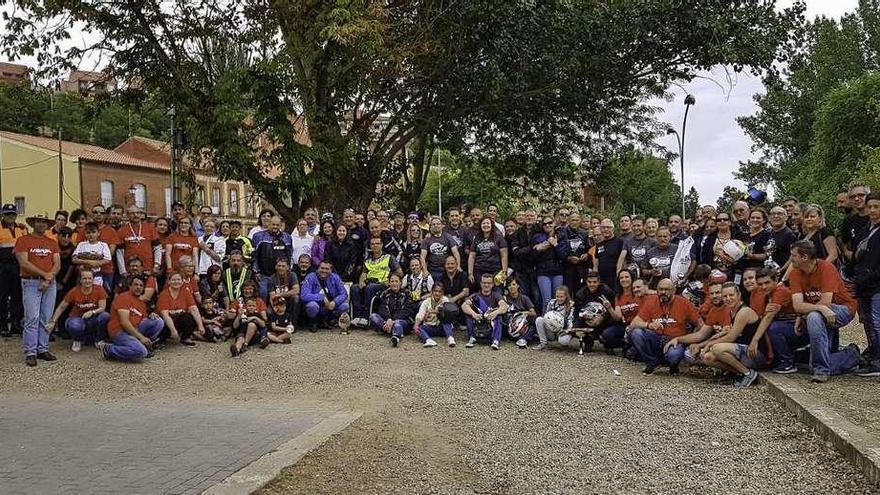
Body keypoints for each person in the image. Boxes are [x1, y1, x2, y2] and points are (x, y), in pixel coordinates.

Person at [785, 240, 860, 382]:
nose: (790, 258)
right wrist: (809, 312)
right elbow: (797, 305)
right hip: (821, 312)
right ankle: (850, 355)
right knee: (815, 316)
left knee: (813, 317)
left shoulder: (826, 268)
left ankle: (821, 369)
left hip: (843, 308)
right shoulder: (795, 273)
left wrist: (808, 312)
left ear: (804, 257)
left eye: (793, 255)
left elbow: (826, 302)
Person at [699, 283, 767, 388]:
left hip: (756, 354)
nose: (728, 298)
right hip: (743, 350)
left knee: (717, 348)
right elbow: (729, 332)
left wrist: (709, 344)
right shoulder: (732, 311)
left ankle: (748, 374)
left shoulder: (743, 311)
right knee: (707, 357)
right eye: (725, 296)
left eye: (731, 295)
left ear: (739, 295)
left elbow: (731, 337)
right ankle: (739, 372)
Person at [628, 278, 701, 375]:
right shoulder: (651, 301)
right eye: (661, 289)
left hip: (675, 340)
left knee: (673, 356)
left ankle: (672, 365)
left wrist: (692, 341)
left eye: (667, 289)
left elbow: (700, 325)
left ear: (674, 290)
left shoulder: (684, 303)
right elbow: (634, 323)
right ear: (657, 290)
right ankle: (652, 362)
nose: (663, 292)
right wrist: (649, 325)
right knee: (635, 333)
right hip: (656, 337)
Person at [15, 213, 61, 366]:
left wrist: (49, 278)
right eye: (38, 222)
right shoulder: (23, 240)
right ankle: (30, 351)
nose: (41, 224)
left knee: (46, 317)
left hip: (49, 284)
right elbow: (24, 263)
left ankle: (43, 349)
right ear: (33, 223)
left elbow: (57, 263)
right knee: (32, 317)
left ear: (48, 225)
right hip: (31, 283)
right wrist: (44, 275)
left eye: (44, 222)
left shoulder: (52, 242)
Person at [97, 276, 164, 362]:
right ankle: (108, 349)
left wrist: (151, 315)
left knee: (158, 321)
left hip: (134, 330)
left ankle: (145, 345)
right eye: (136, 285)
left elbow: (142, 320)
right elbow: (124, 322)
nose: (138, 287)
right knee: (141, 352)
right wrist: (141, 337)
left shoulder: (141, 303)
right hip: (119, 331)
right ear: (130, 286)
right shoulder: (123, 297)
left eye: (141, 285)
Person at [852, 191, 880, 376]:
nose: (872, 210)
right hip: (863, 283)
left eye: (876, 206)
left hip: (878, 283)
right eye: (870, 206)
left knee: (878, 321)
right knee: (869, 322)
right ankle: (874, 354)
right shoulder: (864, 231)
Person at [47, 269, 109, 352]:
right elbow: (61, 307)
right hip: (77, 318)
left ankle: (98, 340)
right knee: (74, 325)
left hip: (93, 318)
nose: (87, 281)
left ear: (93, 279)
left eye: (89, 278)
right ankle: (77, 340)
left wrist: (92, 312)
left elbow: (102, 308)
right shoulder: (74, 291)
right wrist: (53, 321)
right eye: (84, 278)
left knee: (105, 316)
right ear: (80, 280)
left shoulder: (99, 289)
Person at [352, 236, 401, 323]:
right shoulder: (368, 260)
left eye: (377, 243)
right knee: (354, 288)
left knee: (370, 288)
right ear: (370, 246)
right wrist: (361, 281)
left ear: (382, 245)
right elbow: (364, 273)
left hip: (382, 284)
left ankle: (366, 318)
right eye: (373, 244)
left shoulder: (389, 257)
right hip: (369, 282)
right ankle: (357, 317)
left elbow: (399, 272)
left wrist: (390, 280)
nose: (375, 246)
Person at [156, 271, 207, 346]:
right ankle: (161, 340)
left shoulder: (186, 292)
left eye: (178, 279)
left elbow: (193, 309)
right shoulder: (164, 294)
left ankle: (185, 337)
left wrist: (200, 325)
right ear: (169, 282)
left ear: (182, 281)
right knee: (163, 324)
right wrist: (173, 331)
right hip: (166, 322)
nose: (176, 282)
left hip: (178, 320)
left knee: (189, 317)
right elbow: (165, 315)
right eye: (173, 280)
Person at [603, 270, 648, 354]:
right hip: (626, 325)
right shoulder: (618, 297)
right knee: (607, 334)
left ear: (632, 279)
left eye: (626, 277)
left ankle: (632, 345)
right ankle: (624, 344)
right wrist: (609, 308)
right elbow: (618, 317)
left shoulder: (638, 291)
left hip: (640, 325)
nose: (624, 279)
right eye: (621, 278)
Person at [0, 203, 27, 337]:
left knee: (18, 296)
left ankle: (16, 324)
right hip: (3, 267)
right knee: (2, 297)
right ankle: (3, 325)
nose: (10, 216)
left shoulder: (21, 229)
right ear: (2, 215)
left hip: (18, 266)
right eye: (7, 214)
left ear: (16, 215)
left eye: (12, 214)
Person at [462, 273, 508, 349]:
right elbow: (464, 305)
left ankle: (496, 340)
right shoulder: (475, 295)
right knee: (468, 314)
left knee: (499, 316)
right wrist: (473, 314)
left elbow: (504, 306)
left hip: (491, 324)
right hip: (478, 323)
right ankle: (472, 337)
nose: (486, 285)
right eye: (484, 283)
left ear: (493, 284)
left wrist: (495, 313)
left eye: (489, 283)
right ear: (480, 284)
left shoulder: (496, 295)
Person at [573, 271, 616, 353]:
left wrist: (602, 317)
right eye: (589, 282)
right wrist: (587, 319)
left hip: (604, 318)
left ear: (599, 282)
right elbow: (577, 312)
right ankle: (588, 340)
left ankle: (608, 343)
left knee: (613, 319)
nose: (592, 284)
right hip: (587, 319)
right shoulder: (580, 294)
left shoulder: (607, 291)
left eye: (594, 282)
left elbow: (613, 307)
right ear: (586, 282)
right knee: (576, 325)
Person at [300, 261, 350, 330]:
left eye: (327, 269)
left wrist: (335, 302)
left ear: (331, 270)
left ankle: (330, 320)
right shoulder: (310, 277)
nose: (324, 271)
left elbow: (344, 294)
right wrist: (321, 297)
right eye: (322, 268)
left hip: (330, 306)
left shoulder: (335, 277)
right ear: (318, 268)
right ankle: (313, 323)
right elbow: (304, 295)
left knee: (345, 306)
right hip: (317, 306)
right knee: (312, 305)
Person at [369, 273, 413, 347]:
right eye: (392, 281)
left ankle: (395, 336)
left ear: (400, 282)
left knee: (397, 323)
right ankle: (391, 330)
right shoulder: (385, 294)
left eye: (396, 281)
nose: (394, 283)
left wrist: (392, 320)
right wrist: (388, 319)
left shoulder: (407, 293)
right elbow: (382, 309)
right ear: (389, 283)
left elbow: (407, 311)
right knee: (373, 316)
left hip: (403, 321)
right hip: (388, 320)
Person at [532, 216, 564, 311]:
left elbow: (564, 255)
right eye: (544, 224)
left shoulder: (561, 235)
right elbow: (532, 255)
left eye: (550, 222)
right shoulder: (537, 237)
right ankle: (545, 322)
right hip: (543, 271)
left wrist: (556, 245)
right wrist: (539, 249)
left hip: (557, 271)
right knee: (547, 301)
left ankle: (558, 322)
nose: (547, 225)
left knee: (558, 300)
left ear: (554, 223)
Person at [467, 217, 508, 290]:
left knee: (496, 292)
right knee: (481, 292)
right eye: (483, 223)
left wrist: (504, 271)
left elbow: (504, 255)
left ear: (492, 225)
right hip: (479, 270)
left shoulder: (498, 237)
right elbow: (472, 256)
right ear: (480, 225)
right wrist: (470, 273)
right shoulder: (477, 238)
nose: (485, 225)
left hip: (495, 270)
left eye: (488, 223)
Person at [117, 205, 158, 276]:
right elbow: (119, 252)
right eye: (132, 213)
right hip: (130, 270)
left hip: (148, 268)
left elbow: (157, 248)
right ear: (128, 215)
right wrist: (122, 271)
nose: (135, 215)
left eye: (138, 213)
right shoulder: (122, 230)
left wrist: (156, 265)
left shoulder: (150, 228)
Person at [72, 222, 112, 293]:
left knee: (96, 294)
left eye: (93, 232)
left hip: (96, 276)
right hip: (82, 276)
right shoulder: (82, 245)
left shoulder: (103, 245)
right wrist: (88, 262)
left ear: (98, 233)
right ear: (85, 233)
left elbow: (108, 259)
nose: (91, 235)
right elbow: (74, 259)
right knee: (82, 294)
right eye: (88, 232)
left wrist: (98, 263)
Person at [532, 285, 575, 351]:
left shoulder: (571, 305)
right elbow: (546, 316)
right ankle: (543, 343)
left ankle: (563, 344)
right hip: (550, 329)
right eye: (557, 296)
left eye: (561, 297)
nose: (559, 299)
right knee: (539, 320)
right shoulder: (551, 302)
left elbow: (571, 320)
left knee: (564, 341)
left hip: (562, 330)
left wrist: (567, 331)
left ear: (566, 296)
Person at [413, 282, 456, 347]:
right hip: (430, 326)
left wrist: (435, 311)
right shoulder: (426, 302)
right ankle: (428, 340)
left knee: (447, 321)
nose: (437, 293)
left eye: (440, 291)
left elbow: (448, 312)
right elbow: (420, 314)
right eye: (435, 291)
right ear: (432, 292)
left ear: (442, 293)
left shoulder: (445, 300)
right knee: (419, 328)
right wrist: (416, 324)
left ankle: (450, 338)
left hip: (442, 327)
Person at [252, 215, 293, 282]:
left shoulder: (287, 237)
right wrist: (256, 271)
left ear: (280, 225)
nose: (275, 227)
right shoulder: (258, 236)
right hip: (264, 275)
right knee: (264, 292)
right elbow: (254, 256)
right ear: (269, 224)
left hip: (281, 275)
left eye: (277, 225)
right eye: (273, 224)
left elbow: (289, 255)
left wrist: (289, 270)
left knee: (281, 292)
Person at [502, 277, 537, 348]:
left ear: (518, 286)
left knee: (535, 321)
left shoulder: (524, 298)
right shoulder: (504, 298)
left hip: (522, 323)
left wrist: (525, 313)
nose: (511, 287)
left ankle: (523, 339)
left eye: (513, 284)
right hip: (510, 324)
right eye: (509, 285)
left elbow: (534, 313)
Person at [263, 258, 300, 323]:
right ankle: (277, 324)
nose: (281, 268)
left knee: (296, 298)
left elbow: (296, 290)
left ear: (288, 267)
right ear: (275, 267)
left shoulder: (292, 275)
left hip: (289, 302)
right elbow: (272, 297)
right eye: (279, 266)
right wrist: (275, 308)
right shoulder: (271, 279)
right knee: (269, 312)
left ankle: (292, 324)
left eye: (283, 266)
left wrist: (280, 294)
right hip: (277, 302)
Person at [561, 217, 590, 294]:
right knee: (568, 292)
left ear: (580, 221)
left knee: (580, 291)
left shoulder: (584, 233)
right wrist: (568, 258)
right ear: (569, 221)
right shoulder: (563, 232)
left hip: (581, 267)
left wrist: (586, 255)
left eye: (576, 220)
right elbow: (559, 249)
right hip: (567, 267)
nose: (574, 222)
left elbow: (589, 249)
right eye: (572, 220)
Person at [593, 218, 625, 289]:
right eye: (603, 227)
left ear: (613, 229)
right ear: (600, 229)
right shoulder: (599, 244)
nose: (606, 229)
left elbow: (624, 260)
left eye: (608, 227)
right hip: (601, 279)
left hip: (615, 278)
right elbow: (596, 264)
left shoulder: (620, 242)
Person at [766, 206, 797, 271]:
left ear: (786, 217)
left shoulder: (789, 235)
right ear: (769, 218)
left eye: (779, 213)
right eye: (773, 214)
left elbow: (792, 257)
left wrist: (781, 270)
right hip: (769, 271)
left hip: (781, 272)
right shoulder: (769, 233)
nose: (776, 216)